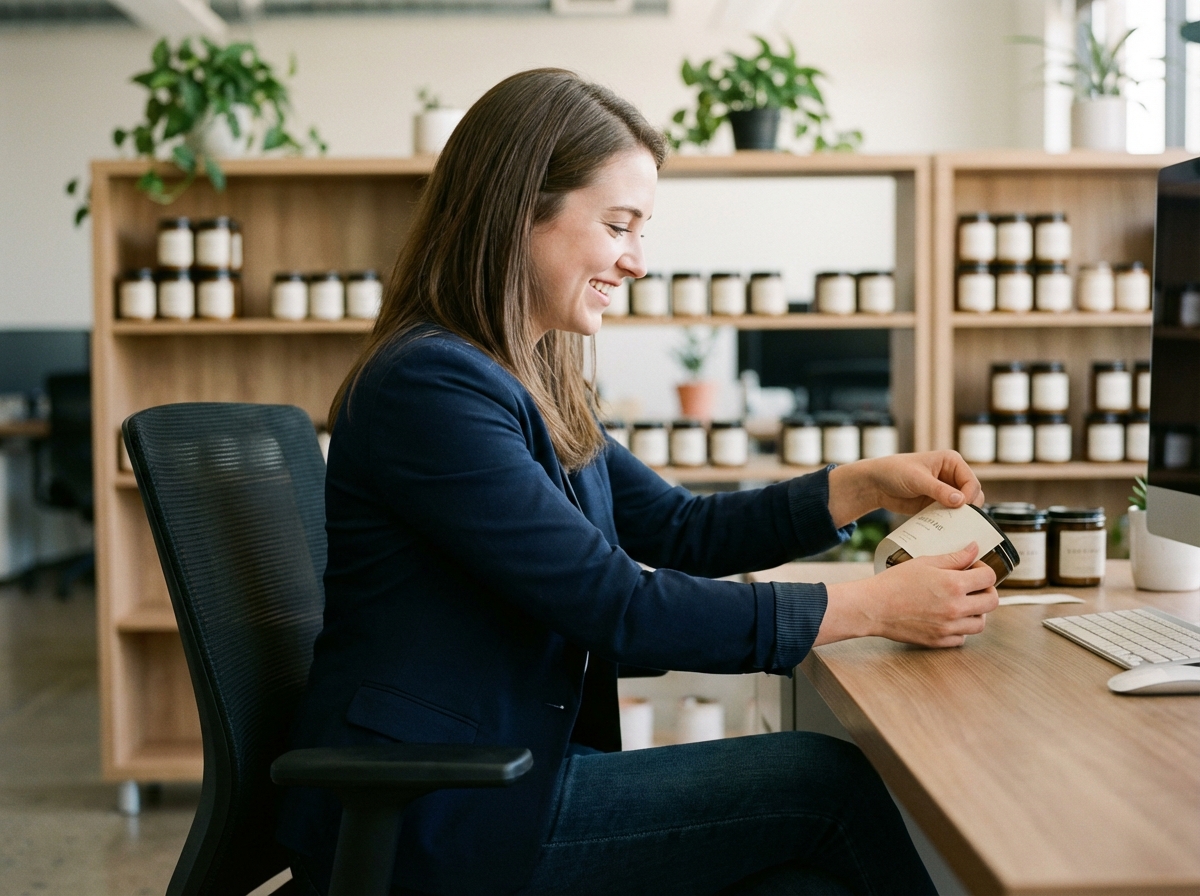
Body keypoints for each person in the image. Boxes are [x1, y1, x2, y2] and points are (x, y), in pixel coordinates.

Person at [277, 68, 997, 896]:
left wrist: (859, 485)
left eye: (642, 230)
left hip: (503, 769)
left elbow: (678, 528)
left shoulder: (530, 375)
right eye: (619, 225)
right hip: (439, 811)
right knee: (824, 785)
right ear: (520, 212)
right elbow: (617, 606)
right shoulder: (431, 388)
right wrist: (869, 609)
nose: (638, 261)